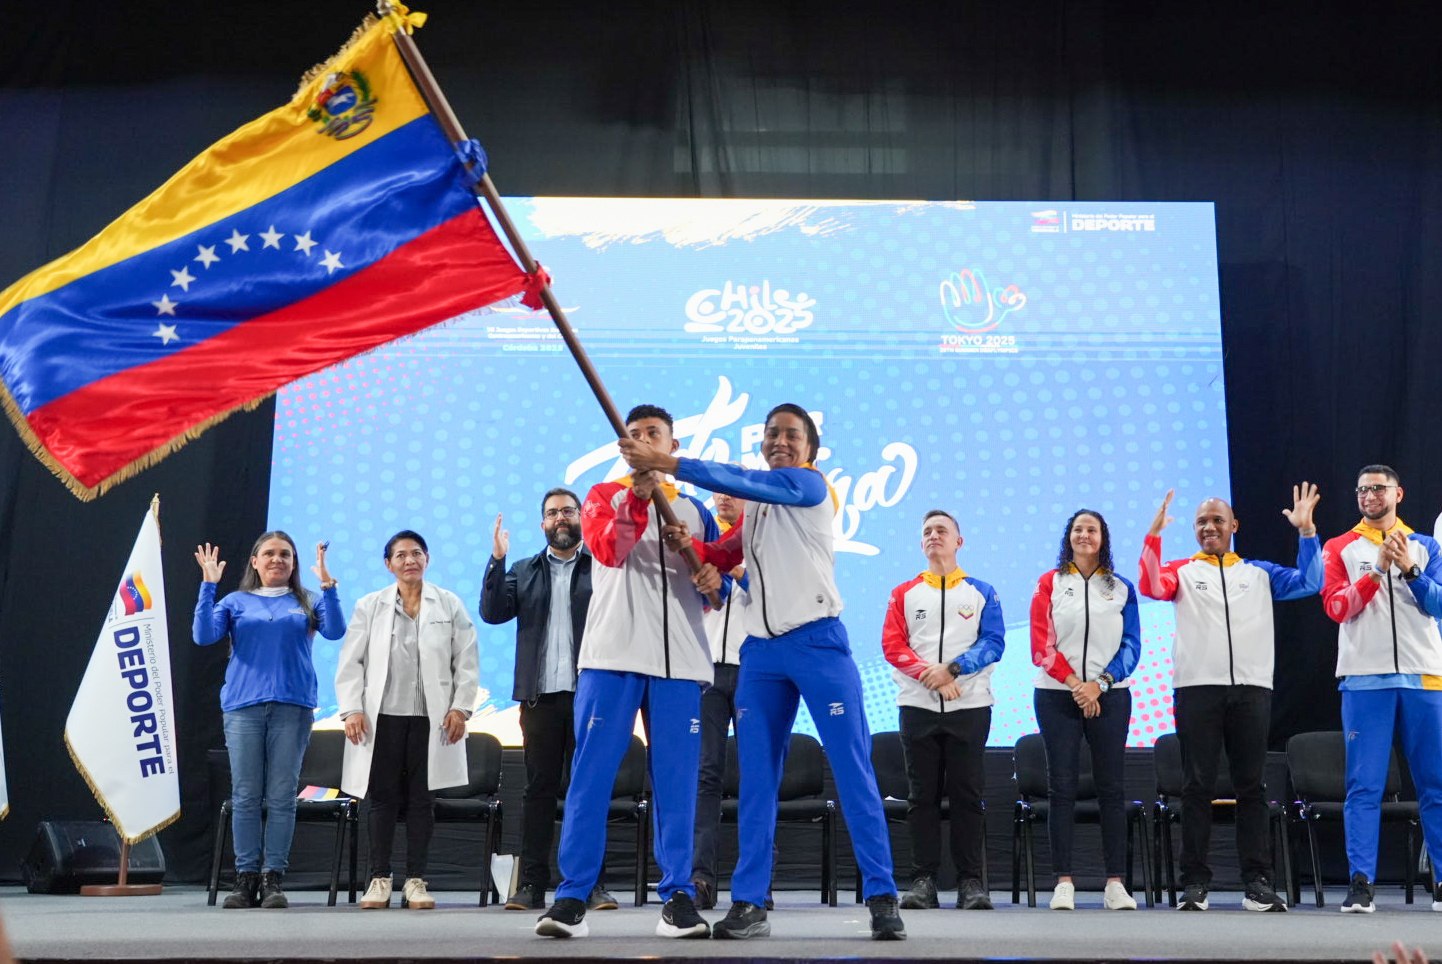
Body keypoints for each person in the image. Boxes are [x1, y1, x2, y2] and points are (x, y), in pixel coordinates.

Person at [621, 402, 907, 941]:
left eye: (791, 435)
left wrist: (670, 464)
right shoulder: (755, 513)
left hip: (819, 643)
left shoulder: (809, 487)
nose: (780, 440)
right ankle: (750, 904)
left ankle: (882, 896)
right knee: (756, 782)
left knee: (851, 770)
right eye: (772, 433)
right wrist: (694, 551)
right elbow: (722, 556)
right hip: (761, 654)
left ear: (810, 450)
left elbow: (747, 481)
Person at [534, 404, 718, 940]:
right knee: (591, 778)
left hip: (680, 663)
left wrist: (710, 575)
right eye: (633, 434)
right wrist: (636, 499)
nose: (640, 440)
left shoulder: (697, 510)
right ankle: (572, 898)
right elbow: (609, 552)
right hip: (612, 657)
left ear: (672, 447)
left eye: (652, 434)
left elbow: (712, 587)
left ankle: (679, 896)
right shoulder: (600, 497)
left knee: (678, 784)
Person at [1138, 484, 1321, 912]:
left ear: (1233, 526)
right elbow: (1150, 584)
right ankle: (1194, 884)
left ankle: (1256, 883)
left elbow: (1312, 582)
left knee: (1251, 787)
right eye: (1202, 522)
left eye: (1217, 520)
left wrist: (1307, 532)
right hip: (1197, 687)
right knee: (1196, 786)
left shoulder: (1258, 573)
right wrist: (1153, 535)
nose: (1209, 528)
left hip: (1252, 689)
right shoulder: (1181, 571)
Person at [480, 489, 617, 913]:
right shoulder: (523, 570)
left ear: (581, 518)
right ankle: (533, 885)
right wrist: (497, 560)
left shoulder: (602, 568)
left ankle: (590, 885)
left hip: (590, 696)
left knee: (588, 791)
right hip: (540, 698)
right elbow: (491, 612)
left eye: (568, 511)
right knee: (538, 790)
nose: (561, 518)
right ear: (542, 523)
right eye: (553, 513)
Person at [193, 531, 346, 909]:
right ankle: (245, 879)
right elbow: (202, 635)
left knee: (281, 797)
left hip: (292, 708)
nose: (277, 559)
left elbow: (336, 630)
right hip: (243, 708)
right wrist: (208, 587)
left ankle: (272, 878)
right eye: (269, 554)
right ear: (255, 562)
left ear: (294, 564)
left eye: (286, 555)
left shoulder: (307, 600)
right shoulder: (235, 601)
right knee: (245, 796)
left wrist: (328, 586)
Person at [335, 530, 480, 910]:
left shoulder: (448, 604)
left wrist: (461, 707)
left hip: (432, 720)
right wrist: (351, 709)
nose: (409, 560)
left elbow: (466, 659)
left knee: (421, 800)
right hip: (381, 717)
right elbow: (352, 662)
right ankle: (379, 878)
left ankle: (416, 880)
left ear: (427, 559)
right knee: (381, 799)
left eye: (416, 553)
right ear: (388, 564)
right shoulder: (370, 605)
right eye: (400, 555)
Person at [1321, 465, 1442, 914]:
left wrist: (1410, 570)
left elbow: (1441, 604)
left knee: (1436, 784)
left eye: (1378, 488)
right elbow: (1336, 607)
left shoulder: (1427, 547)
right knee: (1364, 786)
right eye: (1362, 490)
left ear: (1398, 493)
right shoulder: (1340, 547)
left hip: (1425, 677)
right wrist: (1376, 571)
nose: (1369, 495)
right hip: (1364, 679)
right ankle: (1361, 884)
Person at [882, 509, 1004, 912]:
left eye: (942, 530)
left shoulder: (982, 591)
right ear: (921, 543)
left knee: (967, 795)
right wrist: (930, 675)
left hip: (969, 706)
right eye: (928, 532)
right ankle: (923, 880)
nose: (934, 536)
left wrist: (953, 669)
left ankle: (971, 882)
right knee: (922, 797)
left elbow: (993, 643)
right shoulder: (904, 593)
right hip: (917, 706)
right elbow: (893, 645)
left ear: (958, 541)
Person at [1030, 509, 1141, 911]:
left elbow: (1132, 646)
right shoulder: (1050, 583)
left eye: (1091, 529)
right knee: (1061, 787)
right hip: (1057, 696)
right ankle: (1064, 881)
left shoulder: (1122, 587)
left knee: (1112, 788)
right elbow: (1041, 645)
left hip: (1110, 696)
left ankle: (1115, 883)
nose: (1084, 535)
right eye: (1077, 529)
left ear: (1102, 538)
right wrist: (1077, 685)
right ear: (1069, 537)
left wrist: (1100, 684)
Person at [691, 490, 749, 911]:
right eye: (718, 495)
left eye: (732, 494)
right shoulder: (702, 551)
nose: (723, 500)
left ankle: (756, 879)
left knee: (756, 776)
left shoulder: (765, 543)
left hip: (754, 672)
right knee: (706, 775)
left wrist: (740, 568)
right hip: (707, 672)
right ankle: (701, 879)